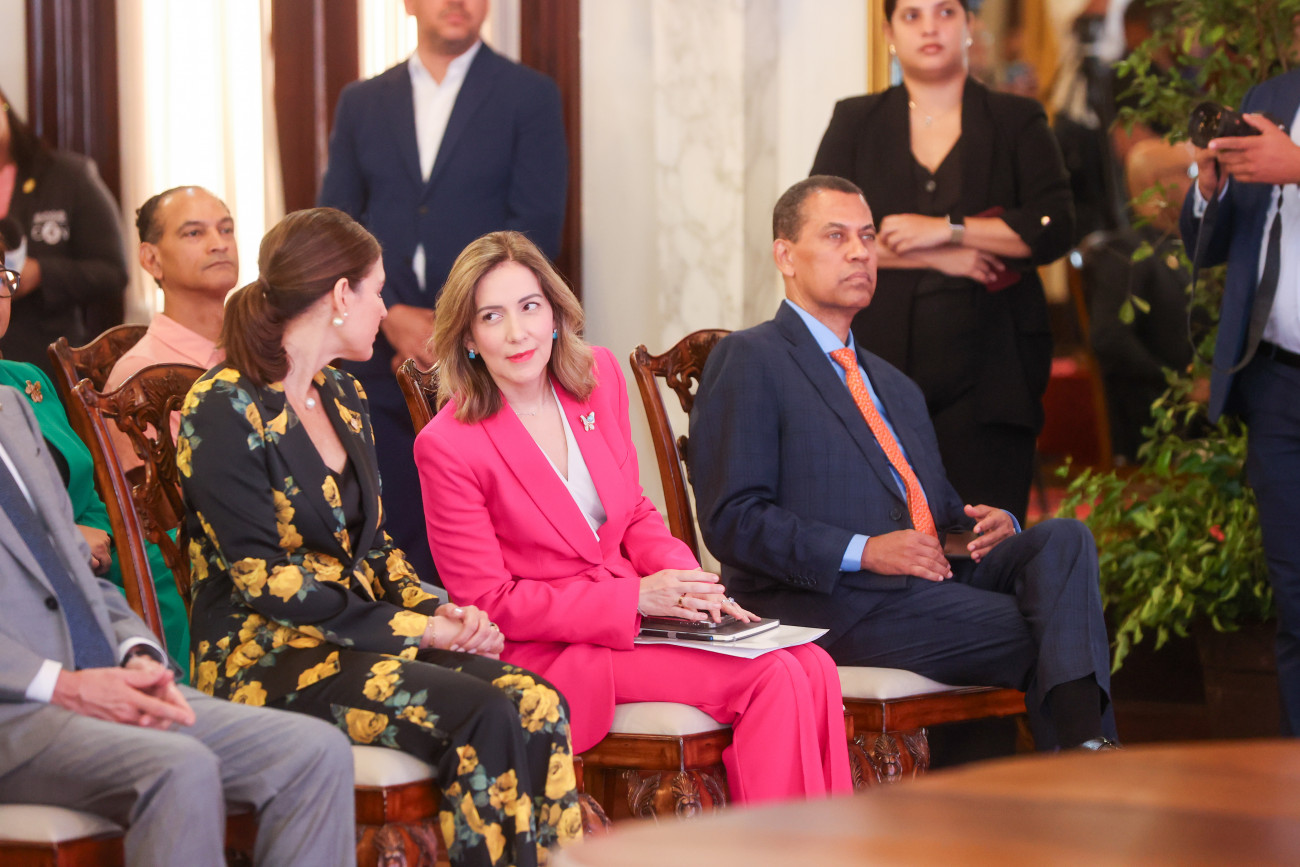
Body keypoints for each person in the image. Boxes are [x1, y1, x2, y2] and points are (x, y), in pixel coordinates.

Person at [178, 208, 581, 867]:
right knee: (482, 710)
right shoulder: (223, 403)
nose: (385, 309)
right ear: (341, 295)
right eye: (376, 290)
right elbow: (266, 580)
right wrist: (419, 631)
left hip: (355, 641)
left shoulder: (341, 392)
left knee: (537, 700)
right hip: (264, 658)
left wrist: (440, 610)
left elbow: (376, 547)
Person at [416, 231, 853, 804]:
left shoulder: (596, 377)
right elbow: (490, 603)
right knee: (775, 676)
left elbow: (635, 511)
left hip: (643, 619)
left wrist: (689, 584)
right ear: (469, 338)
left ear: (555, 313)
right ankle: (769, 846)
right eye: (491, 317)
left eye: (530, 307)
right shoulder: (448, 445)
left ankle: (824, 845)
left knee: (813, 664)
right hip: (557, 652)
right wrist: (635, 599)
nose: (518, 332)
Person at [689, 177, 1116, 751]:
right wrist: (864, 550)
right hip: (831, 604)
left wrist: (982, 530)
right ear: (785, 255)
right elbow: (732, 520)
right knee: (1058, 628)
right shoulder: (751, 357)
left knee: (1064, 539)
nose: (860, 252)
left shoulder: (894, 384)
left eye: (867, 237)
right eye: (836, 236)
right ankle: (1089, 761)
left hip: (927, 584)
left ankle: (1082, 762)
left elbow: (937, 514)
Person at [0, 381, 356, 865]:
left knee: (316, 752)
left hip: (104, 681)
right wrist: (64, 686)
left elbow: (73, 575)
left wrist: (135, 653)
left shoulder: (11, 407)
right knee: (181, 768)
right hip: (19, 711)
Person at [319, 0, 568, 584]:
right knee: (390, 523)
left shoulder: (528, 96)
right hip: (378, 347)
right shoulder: (363, 101)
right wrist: (389, 317)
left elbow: (535, 229)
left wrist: (458, 326)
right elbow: (336, 227)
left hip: (488, 348)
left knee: (489, 530)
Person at [809, 0, 1074, 523]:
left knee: (984, 544)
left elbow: (1053, 227)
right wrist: (944, 256)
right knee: (886, 541)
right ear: (889, 31)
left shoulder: (1015, 119)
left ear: (970, 25)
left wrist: (948, 228)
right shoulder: (856, 120)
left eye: (946, 12)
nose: (929, 27)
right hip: (876, 366)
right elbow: (820, 235)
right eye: (911, 15)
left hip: (994, 372)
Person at [0, 254, 190, 676]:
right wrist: (66, 540)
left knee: (187, 556)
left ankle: (194, 696)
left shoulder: (27, 379)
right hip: (32, 574)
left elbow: (87, 489)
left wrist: (99, 534)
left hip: (101, 550)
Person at [1181, 68, 1300, 735]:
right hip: (1278, 385)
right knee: (1295, 599)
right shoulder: (1268, 99)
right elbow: (1215, 243)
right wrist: (1209, 186)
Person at [0, 86, 128, 376]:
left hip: (45, 359)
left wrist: (41, 273)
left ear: (4, 104)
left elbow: (112, 272)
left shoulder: (66, 175)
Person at [1088, 139, 1194, 462]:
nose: (1199, 182)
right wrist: (1181, 386)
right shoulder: (1128, 255)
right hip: (1161, 423)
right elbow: (1109, 338)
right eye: (1189, 172)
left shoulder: (1184, 245)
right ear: (1154, 184)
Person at [105, 186, 234, 392]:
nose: (219, 244)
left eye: (226, 230)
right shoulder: (141, 374)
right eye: (194, 233)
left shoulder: (262, 344)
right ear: (151, 259)